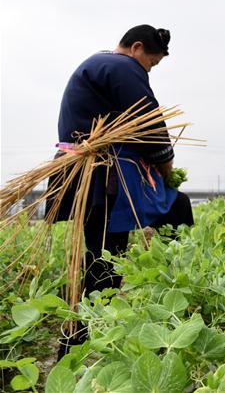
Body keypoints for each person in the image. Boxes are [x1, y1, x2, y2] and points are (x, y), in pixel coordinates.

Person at [50, 24, 194, 356]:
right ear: (137, 48)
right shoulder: (122, 66)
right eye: (152, 64)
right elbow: (150, 123)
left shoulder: (100, 64)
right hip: (102, 174)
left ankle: (83, 338)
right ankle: (78, 343)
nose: (148, 70)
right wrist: (166, 168)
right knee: (107, 259)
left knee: (105, 256)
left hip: (88, 170)